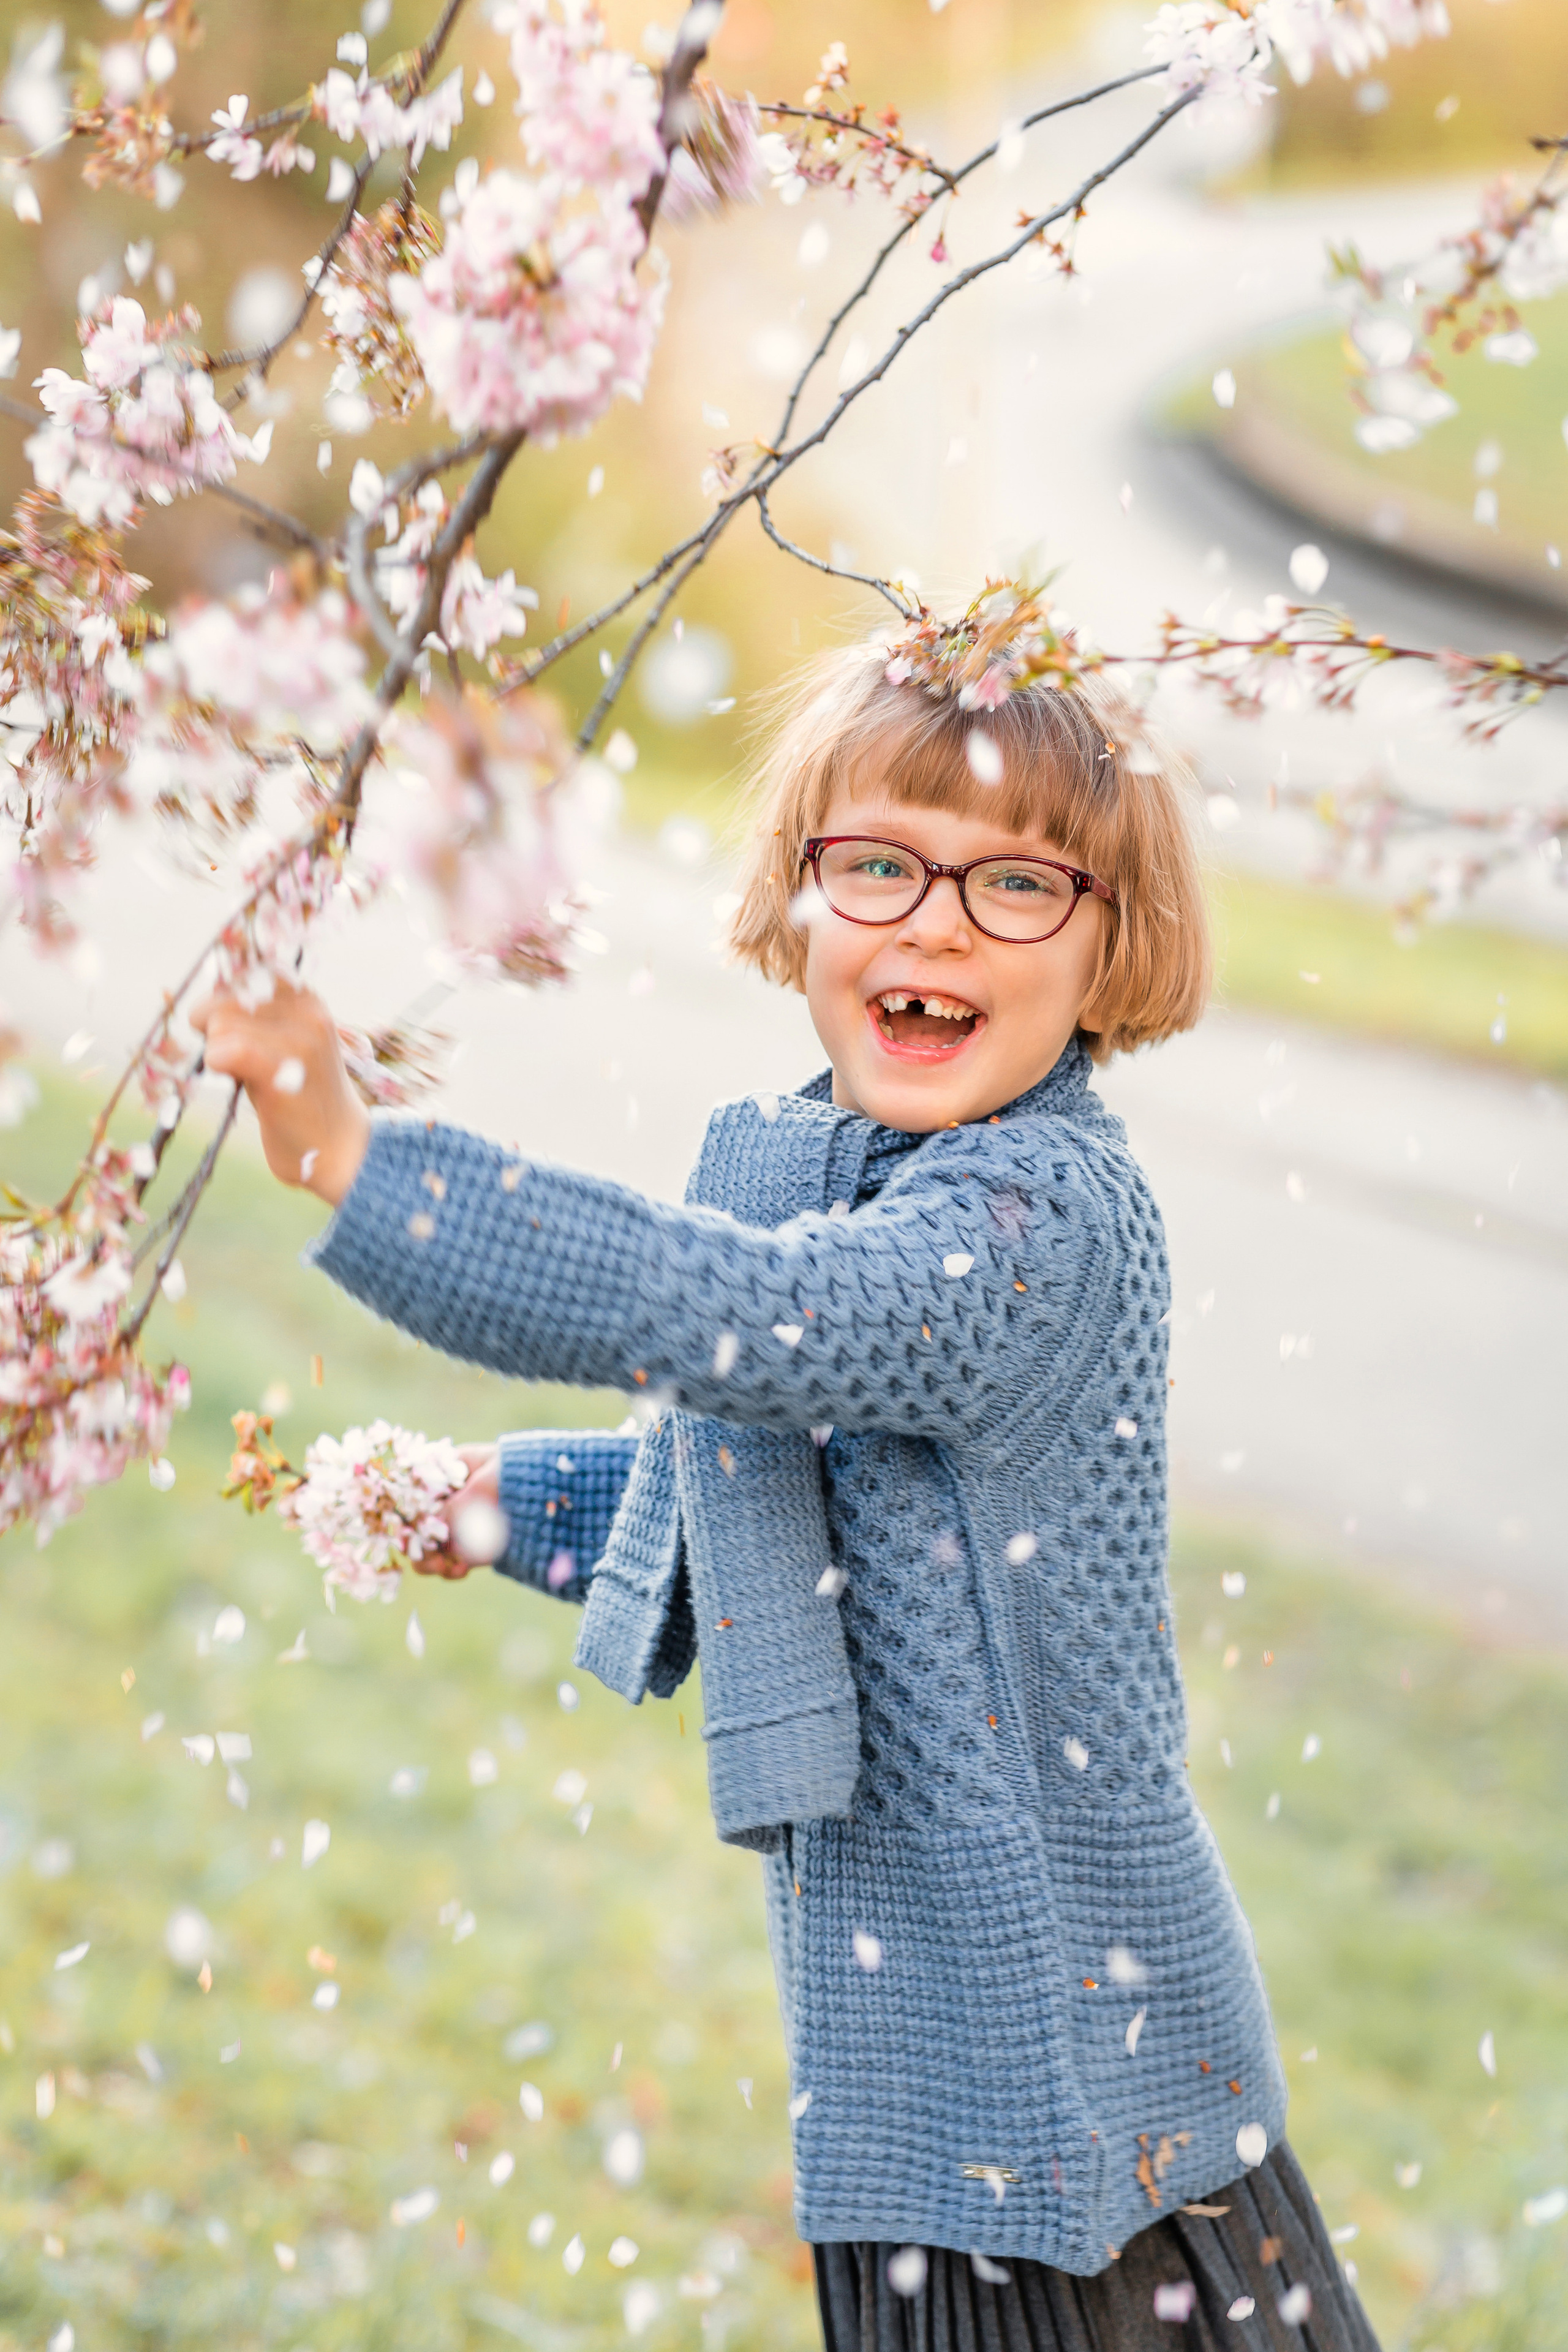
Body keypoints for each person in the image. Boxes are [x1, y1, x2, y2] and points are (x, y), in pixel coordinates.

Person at [196, 631, 1379, 2351]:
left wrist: (353, 1162)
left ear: (1115, 941)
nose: (937, 922)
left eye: (1019, 886)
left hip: (1078, 2070)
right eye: (882, 863)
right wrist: (495, 1505)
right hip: (936, 2063)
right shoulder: (854, 1173)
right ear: (803, 897)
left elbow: (754, 1329)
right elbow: (789, 1512)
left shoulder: (1030, 1226)